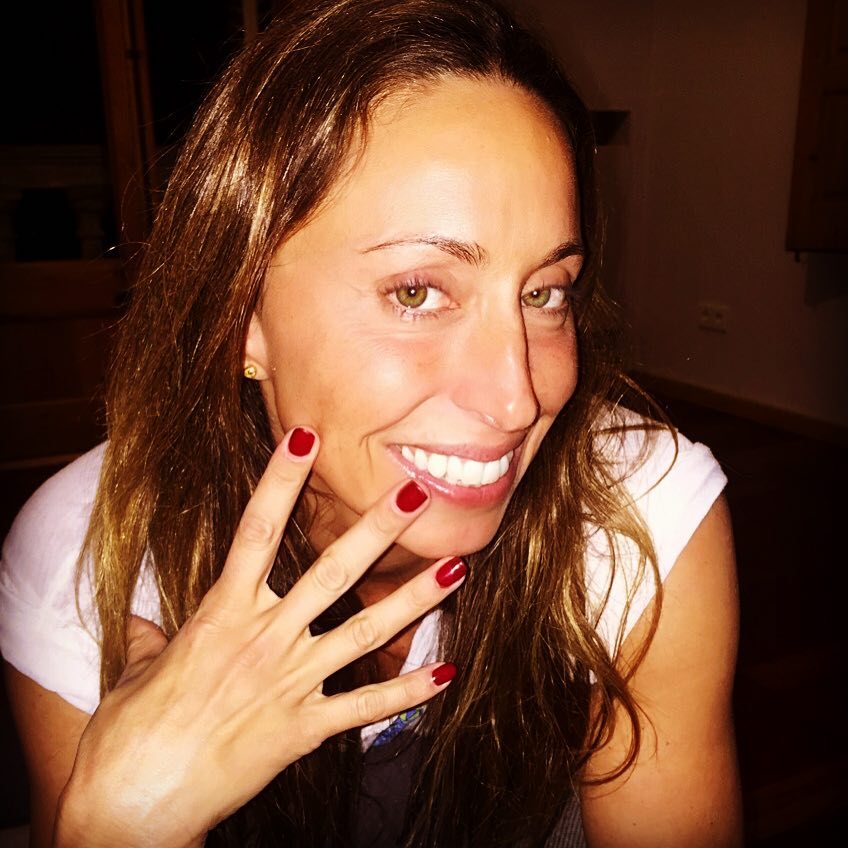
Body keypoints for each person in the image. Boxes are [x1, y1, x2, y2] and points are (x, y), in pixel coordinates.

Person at [0, 1, 742, 845]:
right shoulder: (95, 559)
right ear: (241, 315)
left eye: (544, 293)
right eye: (416, 292)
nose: (516, 399)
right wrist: (116, 828)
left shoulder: (632, 513)